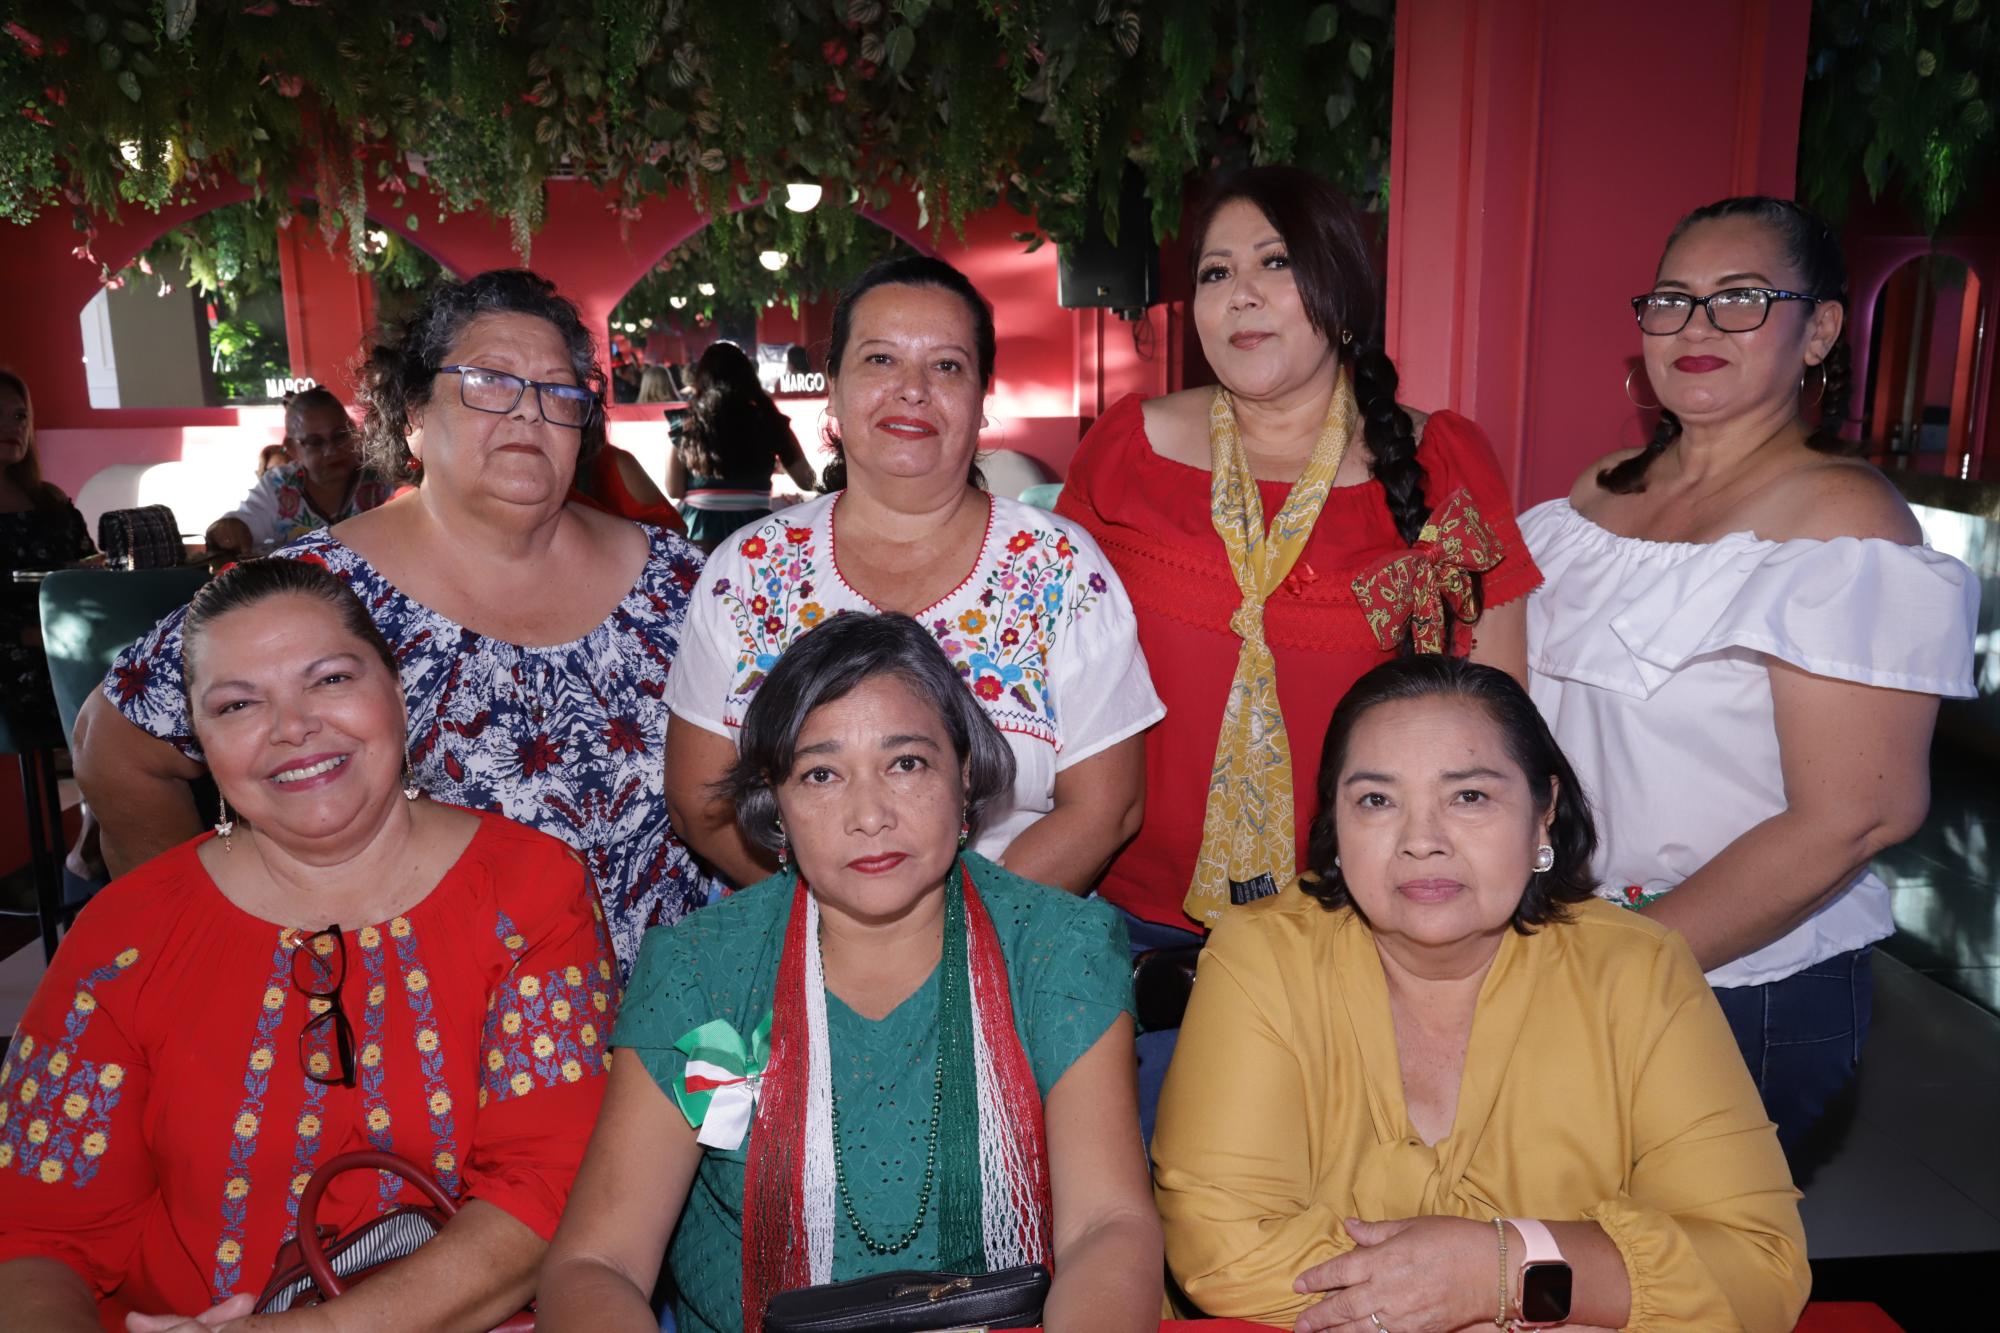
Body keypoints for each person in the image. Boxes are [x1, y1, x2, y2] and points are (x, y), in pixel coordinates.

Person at [0, 558, 615, 1330]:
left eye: (328, 680)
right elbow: (38, 1231)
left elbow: (546, 1190)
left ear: (397, 689)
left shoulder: (529, 891)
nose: (292, 727)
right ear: (200, 741)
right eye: (238, 703)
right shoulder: (123, 935)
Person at [1055, 166, 1541, 1136]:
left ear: (1340, 289)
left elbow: (1496, 711)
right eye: (1214, 270)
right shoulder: (1128, 447)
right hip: (1131, 925)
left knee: (1318, 1233)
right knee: (1135, 1221)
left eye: (1274, 264)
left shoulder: (1440, 459)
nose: (1238, 293)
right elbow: (1048, 679)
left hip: (1366, 932)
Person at [72, 269, 715, 982]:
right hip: (428, 1045)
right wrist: (210, 956)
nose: (529, 413)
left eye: (559, 392)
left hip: (679, 1038)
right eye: (490, 382)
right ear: (413, 412)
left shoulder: (678, 580)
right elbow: (114, 742)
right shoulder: (318, 590)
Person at [539, 612, 1160, 1333]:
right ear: (777, 806)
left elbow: (1108, 1226)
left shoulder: (1058, 948)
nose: (870, 814)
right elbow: (598, 1263)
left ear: (965, 774)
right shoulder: (704, 973)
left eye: (906, 763)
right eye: (822, 774)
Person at [1153, 656, 1810, 1333]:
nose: (1421, 841)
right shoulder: (1262, 957)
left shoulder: (1638, 972)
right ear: (1337, 829)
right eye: (1377, 800)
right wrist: (1534, 1295)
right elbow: (1221, 1251)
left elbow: (1757, 1267)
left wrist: (1500, 1268)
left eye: (1469, 796)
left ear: (1543, 814)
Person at [1522, 196, 1980, 1152]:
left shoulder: (1843, 522)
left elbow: (1859, 811)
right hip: (1561, 947)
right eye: (1672, 301)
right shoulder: (1597, 493)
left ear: (1818, 329)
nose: (1695, 328)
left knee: (1681, 1283)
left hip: (1737, 983)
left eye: (1740, 300)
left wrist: (1621, 962)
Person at [665, 257, 1163, 893]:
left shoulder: (1058, 566)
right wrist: (840, 933)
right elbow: (700, 804)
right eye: (880, 360)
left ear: (983, 396)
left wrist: (952, 943)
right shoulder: (750, 569)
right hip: (798, 942)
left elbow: (1104, 808)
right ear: (834, 387)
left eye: (947, 365)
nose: (913, 388)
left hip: (1014, 945)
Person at [0, 369, 96, 747]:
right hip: (17, 663)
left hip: (77, 647)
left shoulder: (50, 501)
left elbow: (92, 572)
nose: (12, 426)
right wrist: (33, 638)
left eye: (20, 416)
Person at [662, 340, 817, 548]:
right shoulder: (771, 421)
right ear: (749, 378)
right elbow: (807, 481)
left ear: (701, 379)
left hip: (700, 530)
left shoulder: (688, 424)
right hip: (756, 531)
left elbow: (674, 489)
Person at [204, 387, 393, 557]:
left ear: (353, 430)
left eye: (340, 435)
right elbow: (245, 519)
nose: (331, 450)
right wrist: (229, 528)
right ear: (292, 448)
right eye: (314, 442)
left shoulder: (383, 475)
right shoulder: (279, 485)